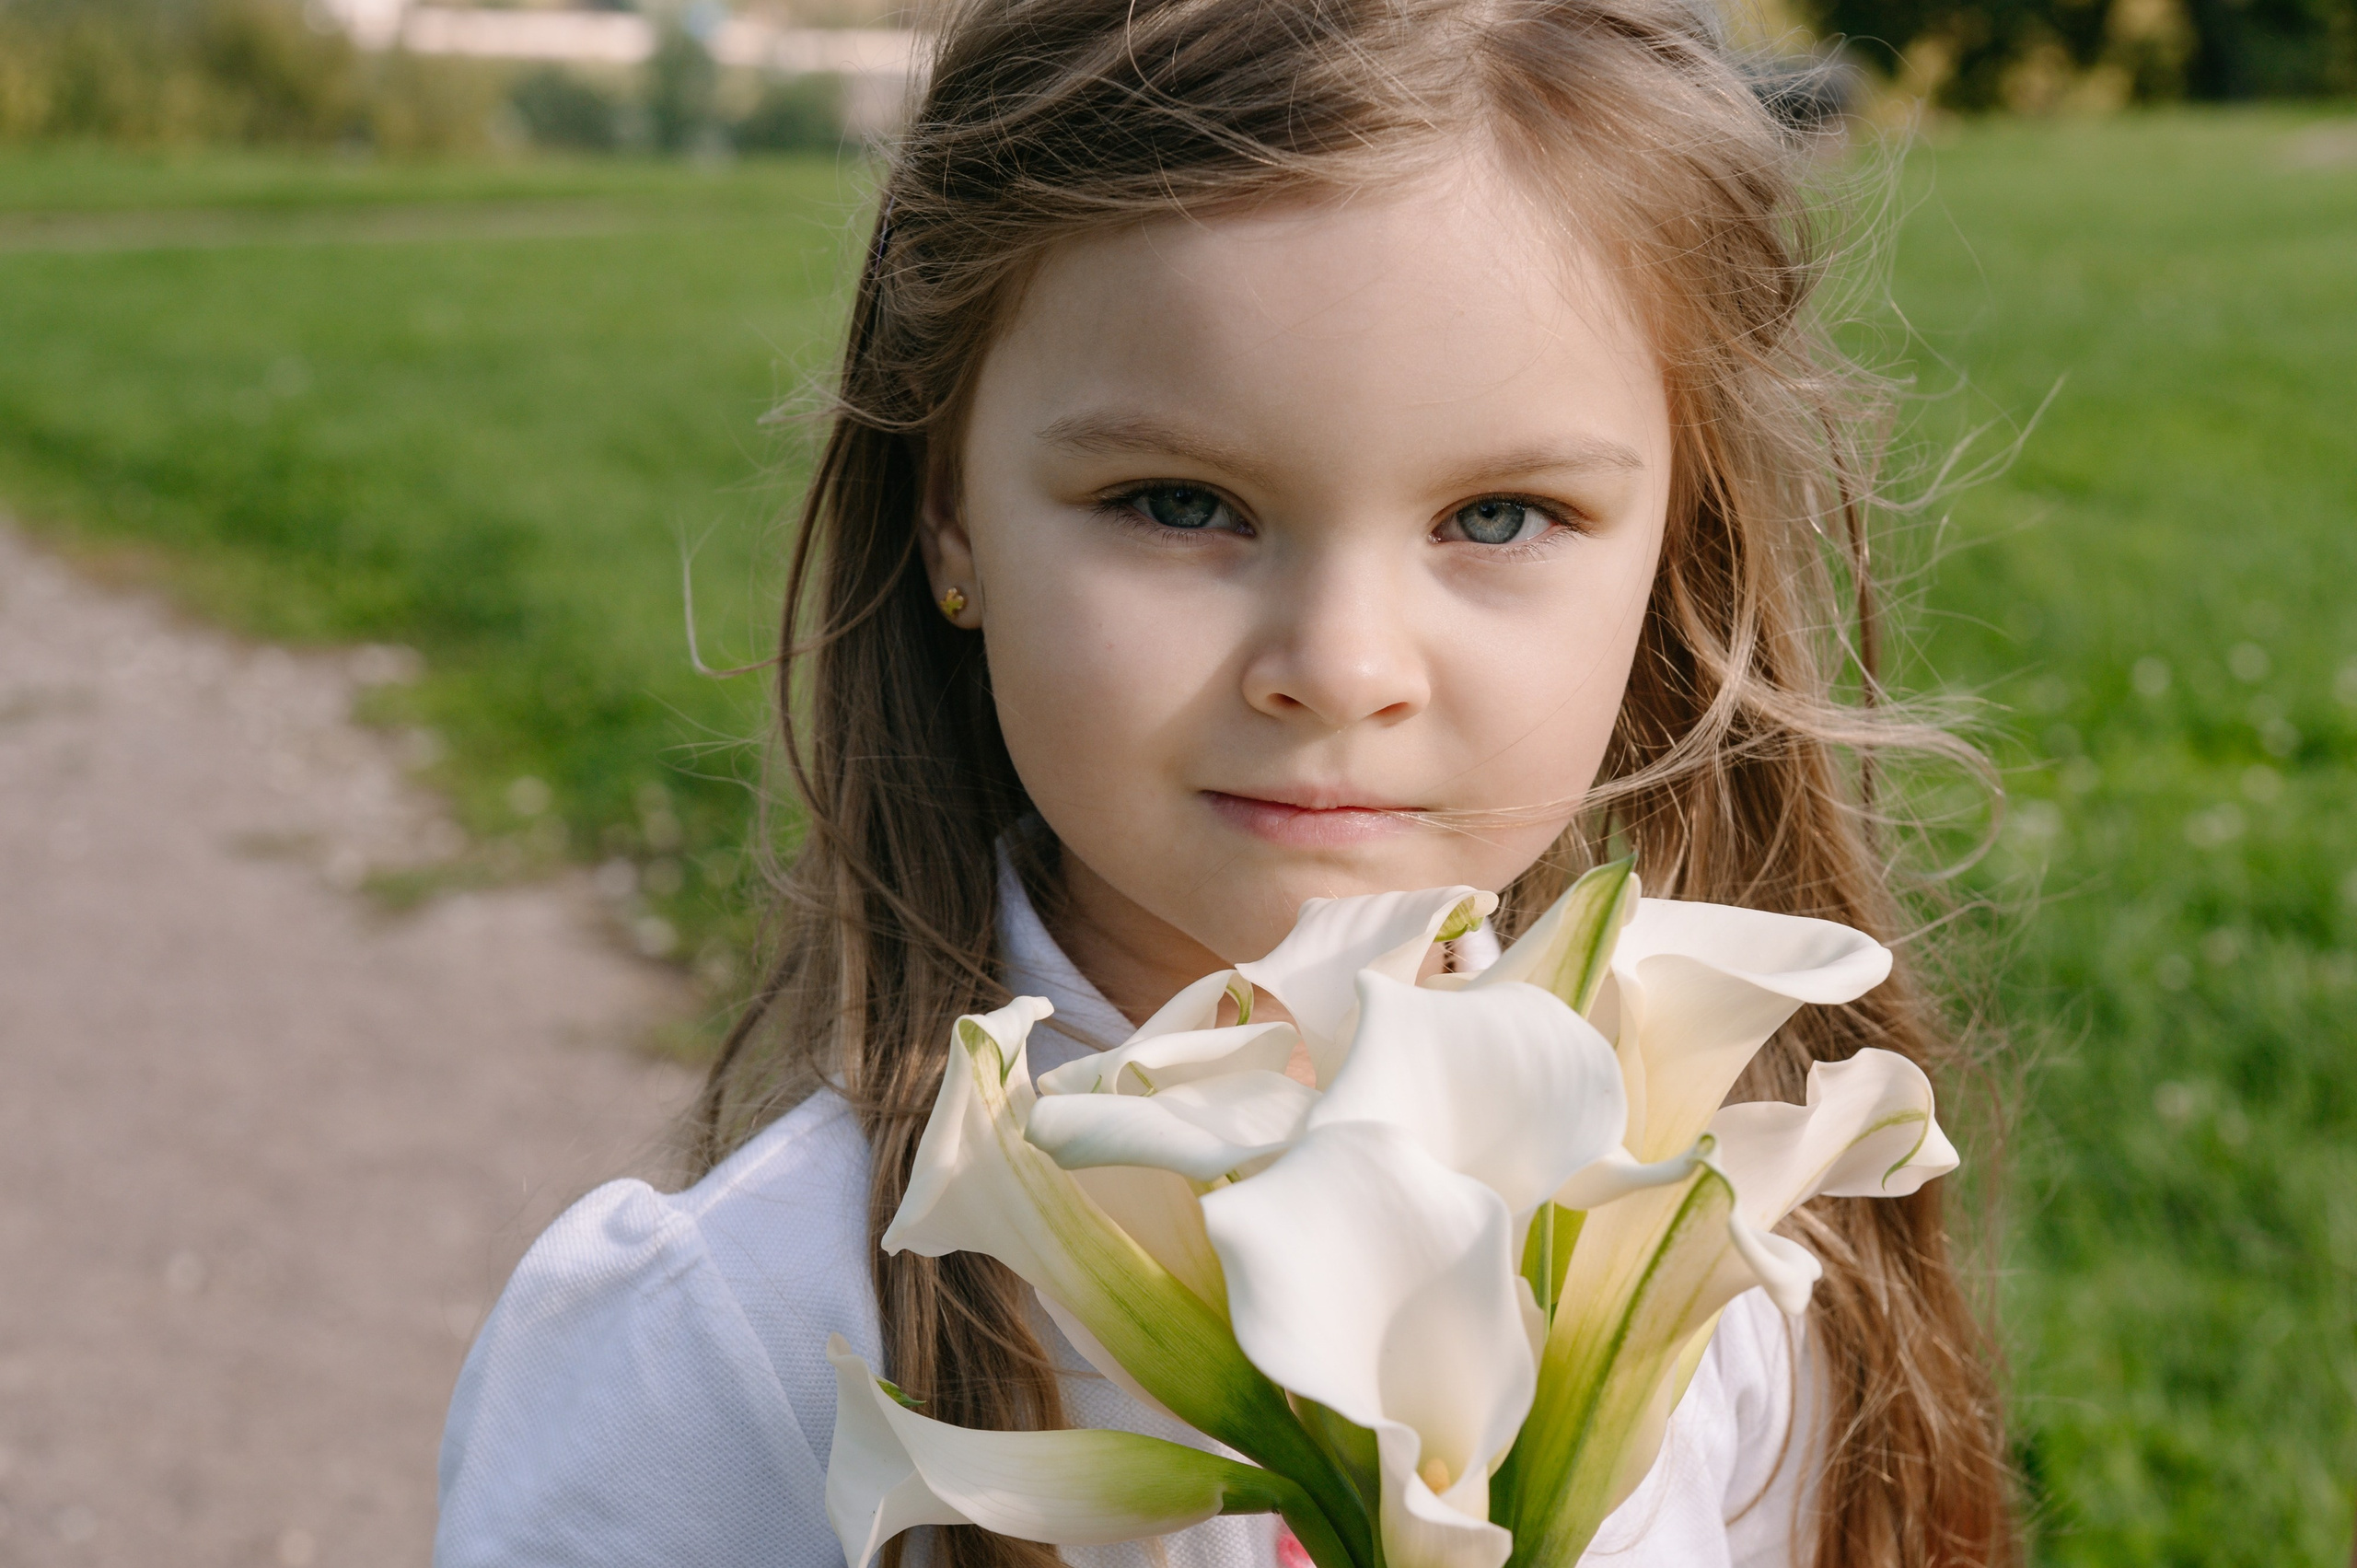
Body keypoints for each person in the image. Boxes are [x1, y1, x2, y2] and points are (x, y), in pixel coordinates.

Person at [435, 0, 2014, 1563]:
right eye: (1181, 502)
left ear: (1681, 549)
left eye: (1499, 517)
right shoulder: (734, 1351)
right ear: (953, 520)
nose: (1338, 665)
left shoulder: (1710, 1253)